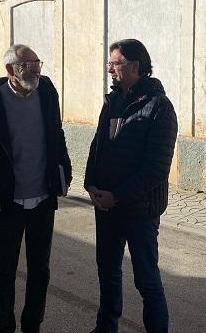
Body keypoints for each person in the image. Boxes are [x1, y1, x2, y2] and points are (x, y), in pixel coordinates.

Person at [0, 44, 72, 333]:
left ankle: (33, 324)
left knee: (40, 270)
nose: (35, 69)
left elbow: (56, 133)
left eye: (37, 62)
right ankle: (4, 322)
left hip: (42, 196)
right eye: (27, 64)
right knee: (5, 269)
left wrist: (63, 173)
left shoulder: (47, 91)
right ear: (10, 70)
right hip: (7, 200)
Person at [85, 39, 178, 333]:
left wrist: (118, 196)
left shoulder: (159, 107)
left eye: (116, 63)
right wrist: (91, 185)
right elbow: (98, 145)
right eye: (109, 63)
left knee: (146, 279)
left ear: (135, 66)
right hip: (107, 207)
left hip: (139, 209)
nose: (110, 69)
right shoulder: (113, 101)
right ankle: (105, 328)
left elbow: (156, 169)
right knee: (108, 274)